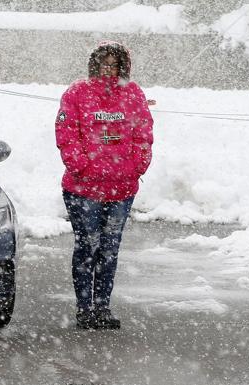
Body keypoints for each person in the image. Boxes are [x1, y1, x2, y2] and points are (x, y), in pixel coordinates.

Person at [55, 41, 154, 329]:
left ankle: (102, 308)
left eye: (114, 64)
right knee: (88, 247)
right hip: (83, 190)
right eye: (104, 63)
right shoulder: (76, 93)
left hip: (121, 190)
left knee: (110, 249)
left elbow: (143, 133)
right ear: (94, 64)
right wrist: (83, 167)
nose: (108, 69)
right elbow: (66, 133)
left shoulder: (133, 94)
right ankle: (84, 308)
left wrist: (137, 166)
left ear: (123, 67)